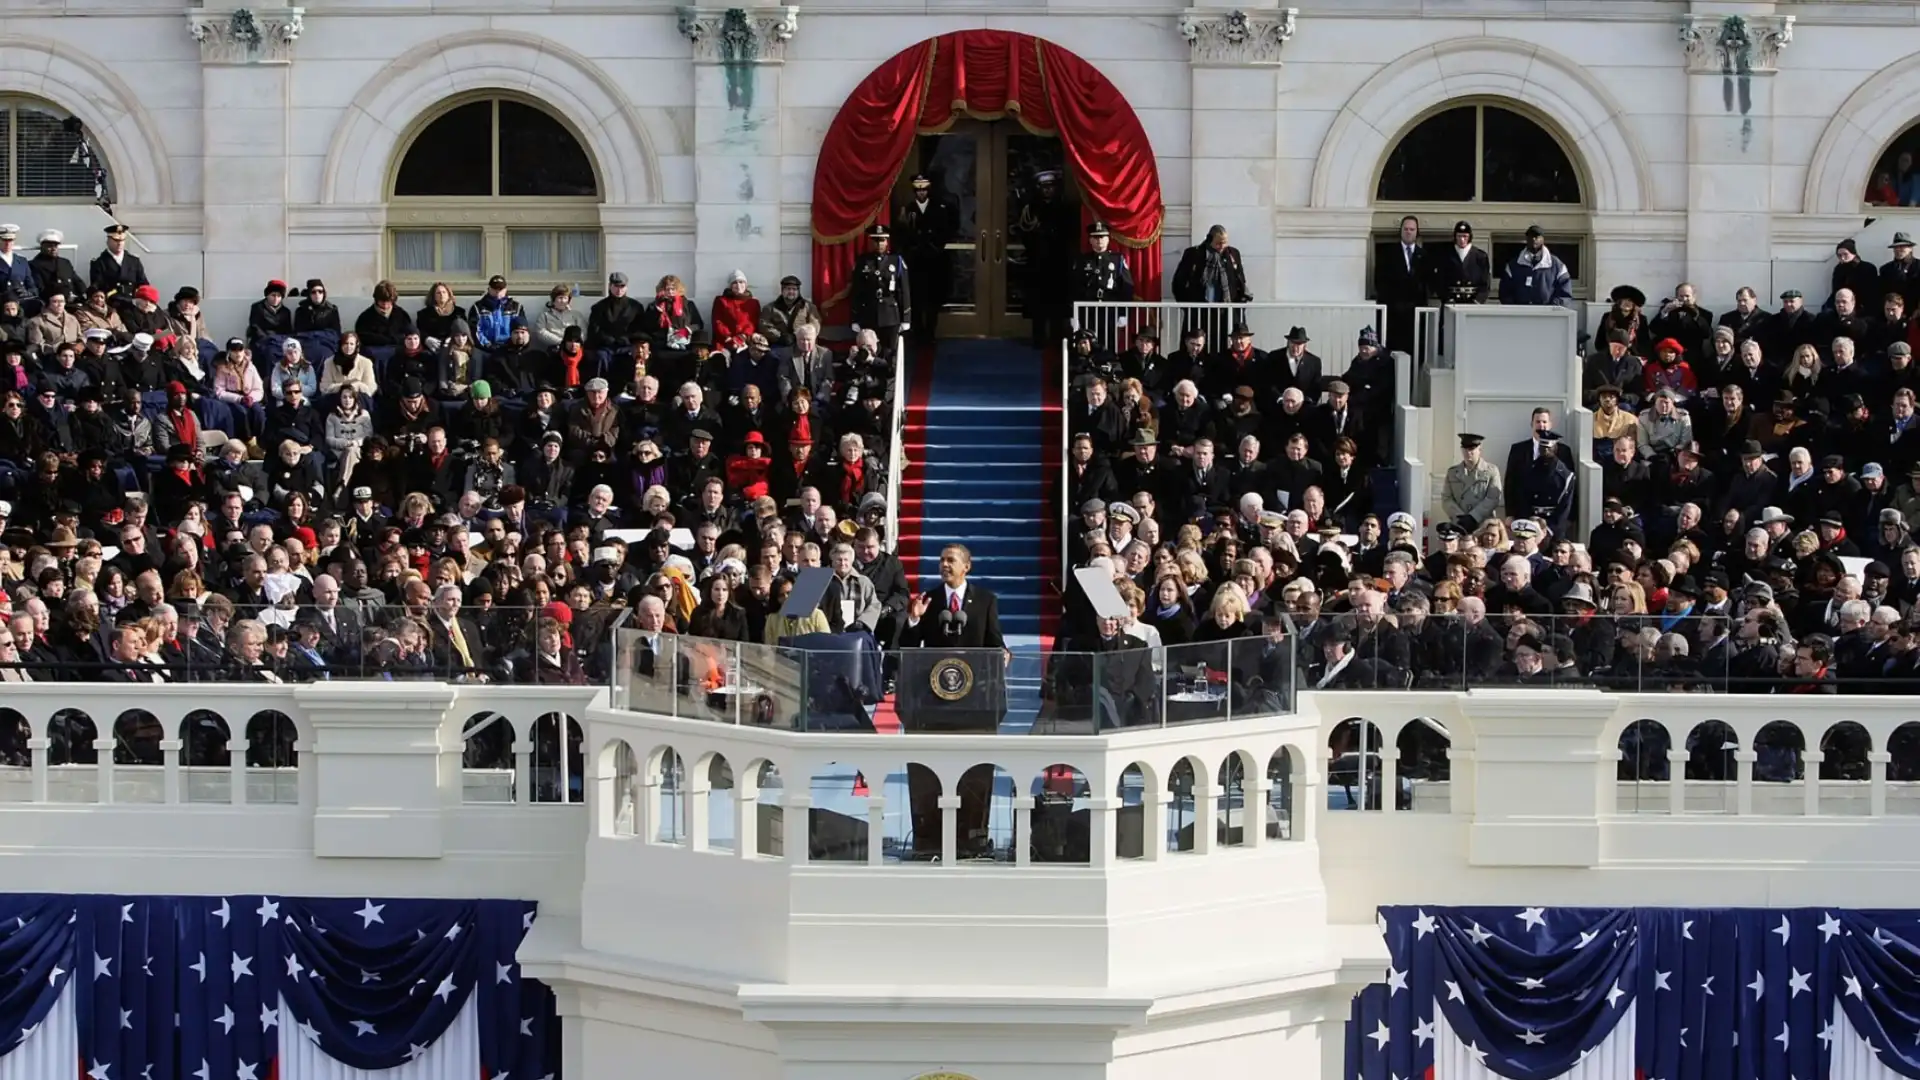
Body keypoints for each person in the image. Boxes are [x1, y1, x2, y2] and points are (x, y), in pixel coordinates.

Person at [1010, 169, 1078, 349]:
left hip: (1058, 262)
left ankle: (1056, 339)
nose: (1047, 191)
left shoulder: (1065, 208)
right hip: (1037, 262)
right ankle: (1038, 339)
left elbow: (1070, 235)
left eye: (1051, 187)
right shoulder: (1031, 208)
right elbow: (1025, 232)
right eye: (1044, 187)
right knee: (1037, 304)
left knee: (1057, 304)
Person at [894, 173, 957, 339]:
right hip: (915, 261)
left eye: (924, 190)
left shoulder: (940, 208)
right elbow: (902, 235)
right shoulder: (908, 210)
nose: (921, 193)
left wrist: (937, 246)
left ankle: (930, 333)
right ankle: (918, 333)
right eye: (918, 190)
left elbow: (948, 230)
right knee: (916, 299)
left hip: (934, 261)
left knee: (932, 300)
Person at [1171, 224, 1251, 351]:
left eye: (1224, 243)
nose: (1222, 247)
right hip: (1199, 311)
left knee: (1225, 348)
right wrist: (1187, 306)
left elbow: (1240, 280)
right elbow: (1178, 282)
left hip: (1226, 311)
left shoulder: (1233, 254)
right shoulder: (1194, 254)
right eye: (1218, 243)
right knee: (1199, 346)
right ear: (1209, 240)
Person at [1069, 221, 1135, 347]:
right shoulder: (1082, 260)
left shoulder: (1117, 260)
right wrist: (1074, 314)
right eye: (1095, 237)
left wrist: (1123, 313)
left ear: (1108, 239)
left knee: (1108, 344)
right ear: (1090, 240)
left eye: (1102, 237)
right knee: (1087, 343)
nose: (1099, 240)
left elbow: (1126, 288)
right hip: (1087, 310)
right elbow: (1074, 287)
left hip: (1109, 310)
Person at [850, 223, 911, 358]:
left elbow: (903, 291)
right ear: (871, 242)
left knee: (890, 352)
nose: (879, 244)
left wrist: (906, 317)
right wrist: (855, 318)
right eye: (876, 240)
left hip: (891, 315)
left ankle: (889, 378)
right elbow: (857, 291)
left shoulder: (897, 261)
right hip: (869, 313)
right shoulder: (863, 261)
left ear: (887, 241)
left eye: (882, 240)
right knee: (869, 351)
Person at [1372, 215, 1429, 353]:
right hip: (1393, 314)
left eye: (1412, 229)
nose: (1408, 232)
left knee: (1415, 353)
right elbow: (1380, 280)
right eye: (1406, 229)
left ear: (1417, 232)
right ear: (1401, 231)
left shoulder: (1425, 255)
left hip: (1415, 314)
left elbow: (1427, 284)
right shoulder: (1387, 253)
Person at [1498, 225, 1574, 308]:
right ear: (1526, 239)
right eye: (1530, 237)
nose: (1533, 239)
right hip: (1520, 316)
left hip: (1547, 317)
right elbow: (1505, 293)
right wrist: (1515, 309)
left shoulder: (1557, 265)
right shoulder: (1513, 265)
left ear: (1543, 239)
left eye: (1537, 236)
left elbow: (1565, 294)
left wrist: (1552, 309)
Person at [1442, 432, 1503, 531]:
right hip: (1459, 524)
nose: (1468, 453)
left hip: (1483, 525)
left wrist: (1473, 517)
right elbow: (1446, 498)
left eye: (1471, 449)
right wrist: (1460, 516)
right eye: (1465, 449)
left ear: (1479, 450)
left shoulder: (1491, 471)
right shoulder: (1453, 472)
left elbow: (1493, 498)